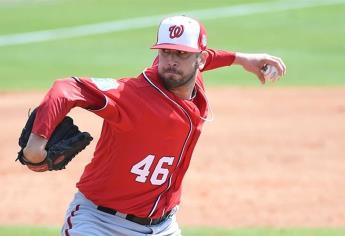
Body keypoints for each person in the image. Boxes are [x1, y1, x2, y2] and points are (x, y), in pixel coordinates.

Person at [23, 15, 286, 236]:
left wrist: (242, 59)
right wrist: (37, 142)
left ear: (199, 60)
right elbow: (67, 87)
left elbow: (208, 58)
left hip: (163, 227)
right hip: (99, 224)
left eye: (181, 54)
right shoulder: (131, 95)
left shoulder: (192, 80)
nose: (171, 61)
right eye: (165, 52)